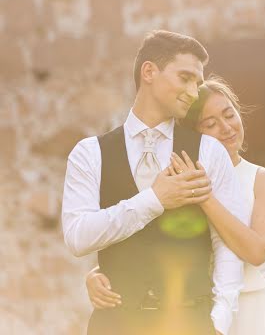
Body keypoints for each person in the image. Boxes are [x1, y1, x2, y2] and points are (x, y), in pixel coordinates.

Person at [87, 76, 265, 334]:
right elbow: (150, 243)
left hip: (257, 311)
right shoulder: (175, 182)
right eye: (211, 123)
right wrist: (97, 274)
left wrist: (204, 197)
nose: (226, 128)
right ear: (193, 135)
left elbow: (257, 251)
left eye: (229, 115)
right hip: (201, 313)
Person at [62, 31, 246, 335]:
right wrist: (155, 199)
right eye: (185, 78)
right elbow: (78, 237)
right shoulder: (89, 153)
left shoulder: (209, 151)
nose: (192, 91)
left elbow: (227, 243)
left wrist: (220, 321)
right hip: (114, 324)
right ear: (149, 72)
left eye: (197, 84)